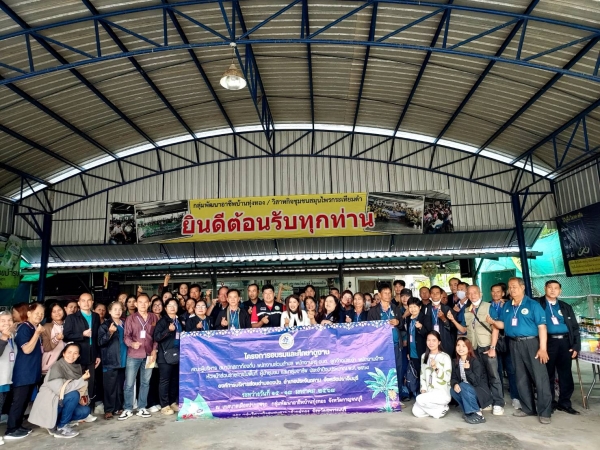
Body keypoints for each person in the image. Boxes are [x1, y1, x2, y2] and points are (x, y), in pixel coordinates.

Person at [488, 277, 552, 424]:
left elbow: (542, 327)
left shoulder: (533, 305)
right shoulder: (507, 306)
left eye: (515, 287)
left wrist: (543, 348)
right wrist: (493, 322)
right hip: (514, 343)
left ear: (522, 287)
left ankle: (545, 412)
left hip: (531, 343)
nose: (512, 290)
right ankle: (528, 408)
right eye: (510, 287)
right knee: (520, 377)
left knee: (539, 378)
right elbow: (503, 325)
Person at [28, 343, 91, 439]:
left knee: (84, 411)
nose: (72, 355)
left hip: (60, 402)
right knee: (74, 395)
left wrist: (82, 397)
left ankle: (56, 423)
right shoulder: (56, 367)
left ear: (78, 355)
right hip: (50, 403)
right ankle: (61, 427)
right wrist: (82, 379)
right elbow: (61, 390)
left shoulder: (76, 367)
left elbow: (77, 386)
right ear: (64, 353)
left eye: (75, 353)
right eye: (69, 352)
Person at [538, 280, 581, 415]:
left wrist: (576, 346)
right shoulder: (537, 304)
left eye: (556, 288)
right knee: (548, 374)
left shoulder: (565, 306)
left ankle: (565, 403)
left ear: (560, 291)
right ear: (545, 288)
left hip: (565, 343)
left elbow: (574, 327)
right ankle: (550, 403)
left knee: (565, 374)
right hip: (547, 342)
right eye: (550, 287)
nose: (553, 290)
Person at [4, 303, 45, 440]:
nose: (40, 316)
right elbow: (26, 349)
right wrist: (37, 333)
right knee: (18, 401)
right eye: (37, 313)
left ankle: (18, 425)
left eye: (42, 313)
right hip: (23, 372)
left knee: (24, 401)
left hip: (32, 372)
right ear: (28, 314)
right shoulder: (24, 328)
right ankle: (11, 430)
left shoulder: (34, 327)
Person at [463, 285, 505, 416]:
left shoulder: (488, 307)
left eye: (475, 292)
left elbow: (495, 328)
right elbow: (466, 329)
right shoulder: (467, 310)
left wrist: (492, 347)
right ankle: (487, 401)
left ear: (480, 293)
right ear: (467, 295)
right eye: (470, 293)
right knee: (480, 376)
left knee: (493, 375)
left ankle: (498, 403)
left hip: (487, 346)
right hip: (474, 348)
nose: (472, 295)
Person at [120, 293, 158, 421]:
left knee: (145, 382)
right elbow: (126, 336)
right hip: (134, 354)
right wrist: (132, 344)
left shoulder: (153, 317)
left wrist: (155, 350)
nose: (143, 304)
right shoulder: (130, 318)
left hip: (149, 354)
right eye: (140, 302)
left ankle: (142, 407)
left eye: (145, 302)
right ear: (136, 304)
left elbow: (156, 336)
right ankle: (128, 408)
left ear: (149, 303)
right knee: (129, 383)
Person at [63, 293, 101, 417]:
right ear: (79, 303)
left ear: (92, 302)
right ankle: (77, 411)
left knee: (91, 383)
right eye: (83, 301)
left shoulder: (95, 316)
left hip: (92, 355)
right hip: (77, 356)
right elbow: (66, 336)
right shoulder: (72, 318)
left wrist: (98, 355)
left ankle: (88, 410)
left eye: (89, 300)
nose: (86, 303)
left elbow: (97, 337)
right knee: (77, 382)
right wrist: (82, 335)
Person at [490, 283, 520, 409]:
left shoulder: (510, 305)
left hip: (508, 339)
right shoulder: (487, 305)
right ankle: (499, 397)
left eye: (498, 291)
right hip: (493, 340)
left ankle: (515, 397)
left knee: (511, 369)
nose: (495, 294)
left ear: (503, 293)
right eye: (493, 291)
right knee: (496, 370)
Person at [368, 284, 402, 392]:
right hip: (381, 347)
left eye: (389, 293)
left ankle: (397, 394)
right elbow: (370, 329)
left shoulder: (396, 308)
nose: (387, 295)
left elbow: (402, 325)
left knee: (397, 368)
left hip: (395, 344)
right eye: (385, 293)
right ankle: (383, 394)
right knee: (382, 369)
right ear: (379, 294)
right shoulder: (373, 311)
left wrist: (398, 322)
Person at [450, 337, 492, 424]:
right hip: (467, 390)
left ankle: (478, 413)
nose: (460, 348)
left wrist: (468, 370)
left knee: (463, 385)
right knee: (452, 390)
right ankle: (468, 412)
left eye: (463, 346)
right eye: (458, 345)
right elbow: (453, 377)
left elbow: (476, 382)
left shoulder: (475, 361)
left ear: (468, 348)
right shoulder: (455, 362)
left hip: (478, 391)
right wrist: (455, 384)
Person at [412, 331, 452, 419]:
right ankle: (439, 411)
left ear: (439, 342)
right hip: (429, 393)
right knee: (416, 412)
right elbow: (422, 375)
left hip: (442, 393)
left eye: (434, 340)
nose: (431, 343)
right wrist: (423, 389)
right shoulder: (424, 356)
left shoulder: (445, 357)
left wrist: (436, 368)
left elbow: (447, 378)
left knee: (419, 399)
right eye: (428, 340)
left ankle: (442, 407)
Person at [98, 302, 127, 420]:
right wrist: (109, 332)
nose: (118, 311)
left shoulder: (124, 323)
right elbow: (100, 342)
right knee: (109, 387)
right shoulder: (105, 325)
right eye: (115, 309)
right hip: (110, 359)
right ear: (109, 311)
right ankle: (109, 409)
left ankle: (118, 407)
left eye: (120, 309)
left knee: (120, 386)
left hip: (123, 359)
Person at [154, 298, 181, 415]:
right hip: (165, 356)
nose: (172, 307)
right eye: (169, 305)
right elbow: (156, 337)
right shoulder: (162, 322)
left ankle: (172, 402)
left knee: (174, 380)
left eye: (174, 305)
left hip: (177, 354)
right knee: (165, 381)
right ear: (165, 308)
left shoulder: (179, 321)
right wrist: (168, 330)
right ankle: (164, 405)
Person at [0, 311, 17, 446]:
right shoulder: (4, 337)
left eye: (9, 320)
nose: (7, 323)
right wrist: (3, 339)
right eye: (3, 321)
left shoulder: (12, 336)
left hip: (6, 379)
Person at [427, 286, 456, 357]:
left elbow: (453, 328)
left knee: (445, 360)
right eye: (433, 293)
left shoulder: (447, 309)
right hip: (431, 341)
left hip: (445, 340)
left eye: (437, 293)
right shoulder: (426, 309)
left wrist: (444, 319)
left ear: (441, 295)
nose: (435, 295)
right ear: (430, 295)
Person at [404, 298, 428, 386]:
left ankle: (424, 390)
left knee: (424, 373)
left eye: (415, 306)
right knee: (416, 373)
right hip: (412, 351)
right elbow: (408, 335)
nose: (413, 309)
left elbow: (429, 334)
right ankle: (417, 390)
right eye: (410, 307)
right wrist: (408, 352)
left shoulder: (424, 318)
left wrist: (421, 327)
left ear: (420, 307)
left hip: (422, 351)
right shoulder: (408, 319)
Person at [42, 303, 66, 374]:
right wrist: (56, 339)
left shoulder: (69, 324)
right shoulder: (47, 327)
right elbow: (46, 347)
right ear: (50, 314)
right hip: (49, 366)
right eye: (54, 311)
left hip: (65, 366)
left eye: (59, 310)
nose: (57, 313)